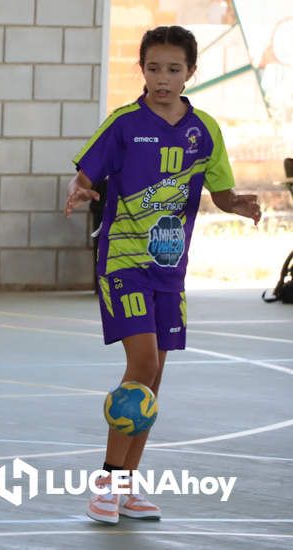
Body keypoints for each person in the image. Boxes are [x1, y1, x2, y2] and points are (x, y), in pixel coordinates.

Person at [65, 25, 262, 524]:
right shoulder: (125, 123)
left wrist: (236, 204)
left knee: (154, 379)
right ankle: (107, 482)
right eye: (153, 68)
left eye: (174, 69)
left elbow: (219, 192)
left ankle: (127, 488)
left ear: (190, 72)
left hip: (169, 268)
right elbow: (86, 173)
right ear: (143, 69)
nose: (163, 78)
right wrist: (81, 189)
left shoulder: (205, 130)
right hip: (123, 262)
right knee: (143, 364)